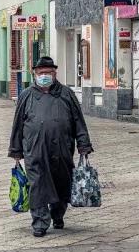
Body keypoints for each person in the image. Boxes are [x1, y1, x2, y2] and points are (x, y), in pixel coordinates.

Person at [8, 56, 93, 237]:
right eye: (41, 73)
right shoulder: (26, 96)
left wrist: (83, 145)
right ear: (35, 74)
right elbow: (18, 125)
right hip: (35, 150)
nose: (44, 76)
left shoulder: (66, 94)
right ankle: (40, 222)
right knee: (37, 185)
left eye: (48, 73)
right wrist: (16, 151)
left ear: (55, 74)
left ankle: (57, 214)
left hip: (61, 149)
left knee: (61, 184)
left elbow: (78, 120)